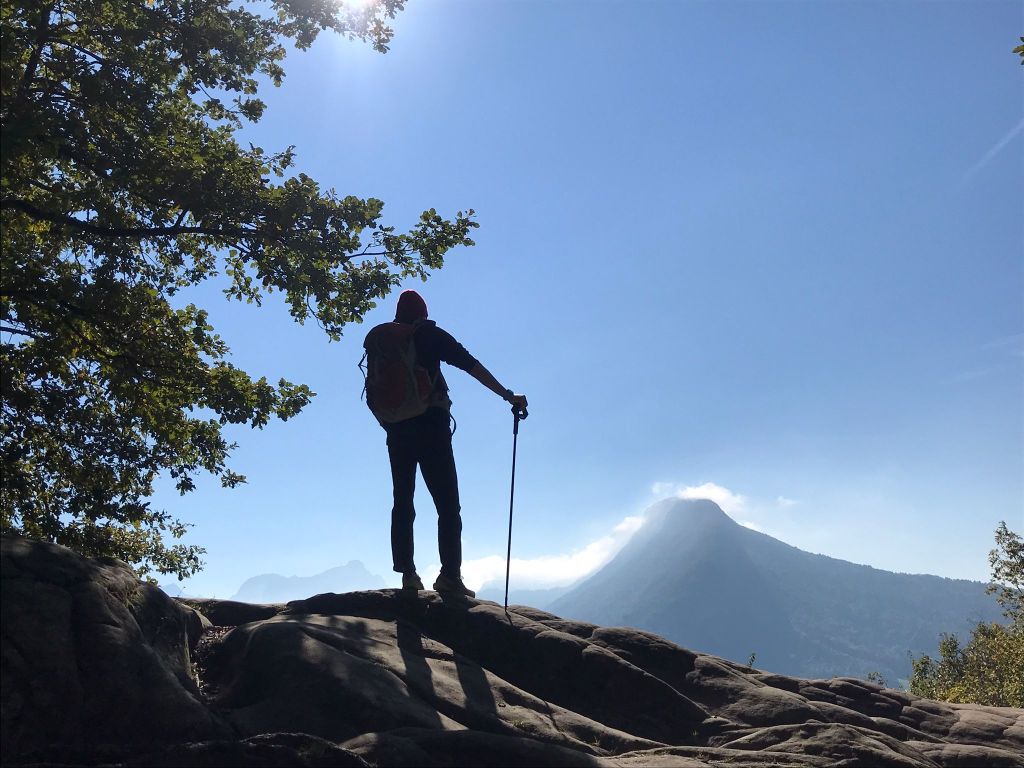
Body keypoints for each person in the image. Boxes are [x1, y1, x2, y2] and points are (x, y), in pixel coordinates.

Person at [374, 289, 528, 597]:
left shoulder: (384, 342)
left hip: (397, 430)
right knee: (447, 505)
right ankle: (449, 576)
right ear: (423, 313)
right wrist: (507, 395)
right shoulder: (429, 335)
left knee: (403, 500)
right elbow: (470, 364)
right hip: (431, 427)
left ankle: (408, 575)